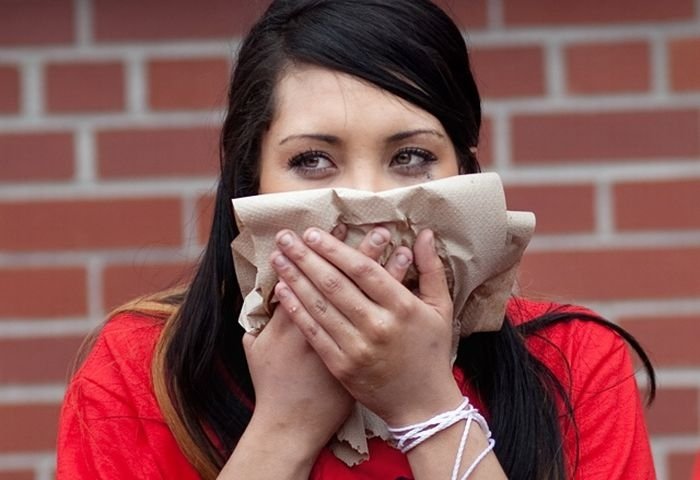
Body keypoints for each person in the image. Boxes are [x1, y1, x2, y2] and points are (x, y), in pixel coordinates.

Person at [56, 1, 657, 479]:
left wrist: (428, 408)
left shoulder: (573, 363)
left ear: (466, 178)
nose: (368, 203)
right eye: (313, 160)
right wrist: (285, 428)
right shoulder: (139, 371)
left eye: (412, 157)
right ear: (252, 181)